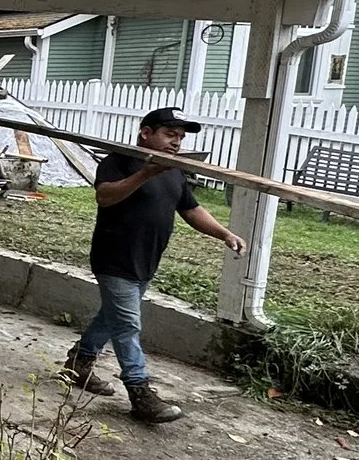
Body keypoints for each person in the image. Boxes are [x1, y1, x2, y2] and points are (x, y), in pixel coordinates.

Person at [62, 106, 245, 424]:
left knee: (111, 317)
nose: (176, 142)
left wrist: (225, 234)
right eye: (170, 134)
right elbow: (105, 196)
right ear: (146, 133)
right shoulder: (119, 161)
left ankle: (80, 361)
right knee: (127, 325)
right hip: (114, 258)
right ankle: (140, 392)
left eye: (181, 137)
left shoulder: (174, 171)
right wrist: (146, 173)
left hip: (146, 260)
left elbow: (191, 209)